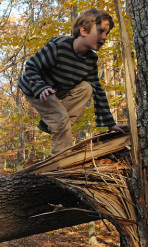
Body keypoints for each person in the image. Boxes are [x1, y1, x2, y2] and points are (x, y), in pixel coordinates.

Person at [18, 8, 128, 156]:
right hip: (36, 87)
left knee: (87, 88)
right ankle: (60, 159)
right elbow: (31, 66)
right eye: (101, 31)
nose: (105, 37)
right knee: (60, 118)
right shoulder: (59, 46)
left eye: (107, 33)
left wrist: (110, 124)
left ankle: (49, 123)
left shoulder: (90, 60)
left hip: (58, 89)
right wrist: (41, 87)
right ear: (84, 31)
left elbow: (98, 91)